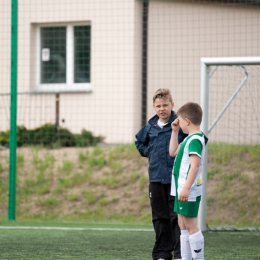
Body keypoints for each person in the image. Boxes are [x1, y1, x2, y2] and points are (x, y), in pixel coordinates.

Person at [135, 88, 187, 260]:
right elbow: (139, 143)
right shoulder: (149, 127)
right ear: (153, 107)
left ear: (172, 105)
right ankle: (162, 253)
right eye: (158, 106)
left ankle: (181, 253)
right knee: (159, 217)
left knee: (176, 217)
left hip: (175, 179)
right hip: (156, 179)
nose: (162, 109)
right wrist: (149, 151)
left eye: (165, 105)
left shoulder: (180, 124)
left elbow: (196, 138)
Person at [169, 102, 207, 260]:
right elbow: (172, 152)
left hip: (187, 191)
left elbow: (195, 166)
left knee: (191, 225)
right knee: (182, 224)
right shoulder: (188, 139)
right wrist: (175, 131)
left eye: (179, 120)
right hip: (180, 189)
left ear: (187, 121)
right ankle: (185, 258)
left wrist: (185, 188)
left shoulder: (195, 140)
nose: (178, 123)